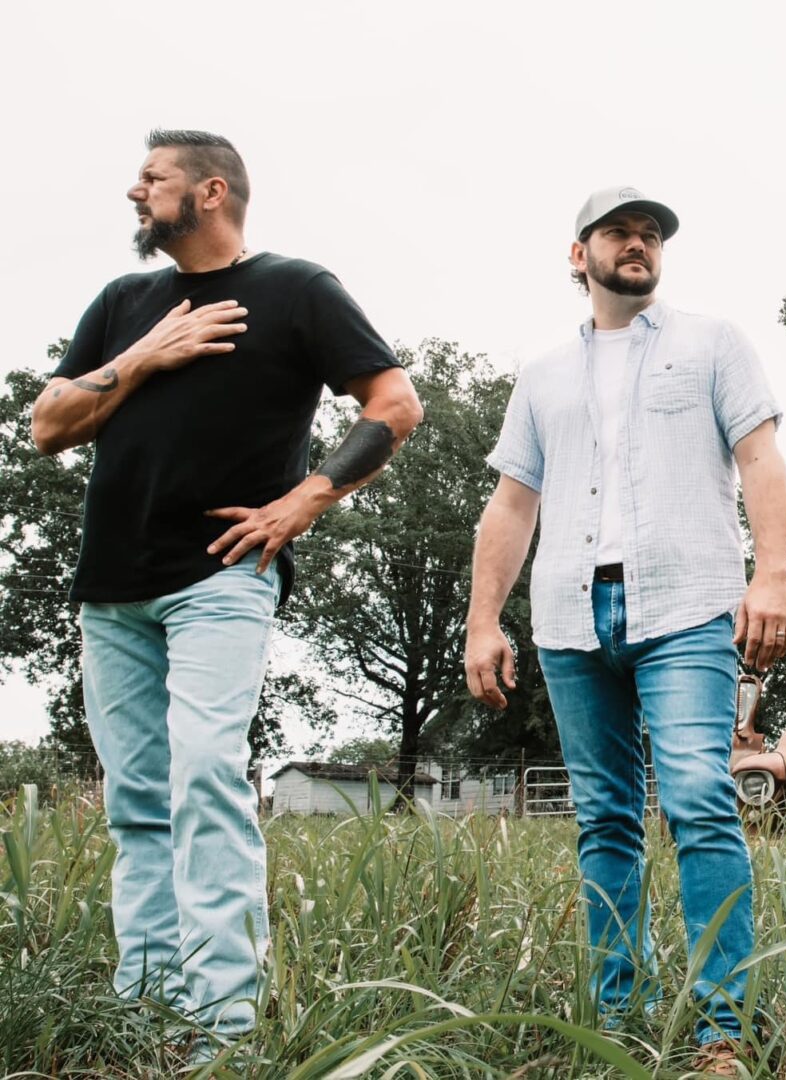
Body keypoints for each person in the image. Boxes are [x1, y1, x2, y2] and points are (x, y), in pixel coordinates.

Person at [30, 129, 422, 1049]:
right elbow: (49, 424)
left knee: (204, 777)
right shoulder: (127, 302)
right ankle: (144, 1014)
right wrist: (145, 357)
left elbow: (395, 404)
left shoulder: (295, 290)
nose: (134, 191)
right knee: (135, 801)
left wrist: (306, 500)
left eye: (152, 178)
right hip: (112, 589)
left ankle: (220, 1029)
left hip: (220, 580)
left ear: (210, 192)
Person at [463, 186, 786, 1075]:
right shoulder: (542, 376)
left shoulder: (712, 344)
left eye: (651, 234)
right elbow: (512, 502)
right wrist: (482, 621)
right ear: (580, 255)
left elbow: (761, 456)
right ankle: (618, 1014)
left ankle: (725, 1029)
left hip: (686, 604)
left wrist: (772, 571)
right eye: (620, 232)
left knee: (696, 799)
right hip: (570, 613)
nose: (639, 244)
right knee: (605, 818)